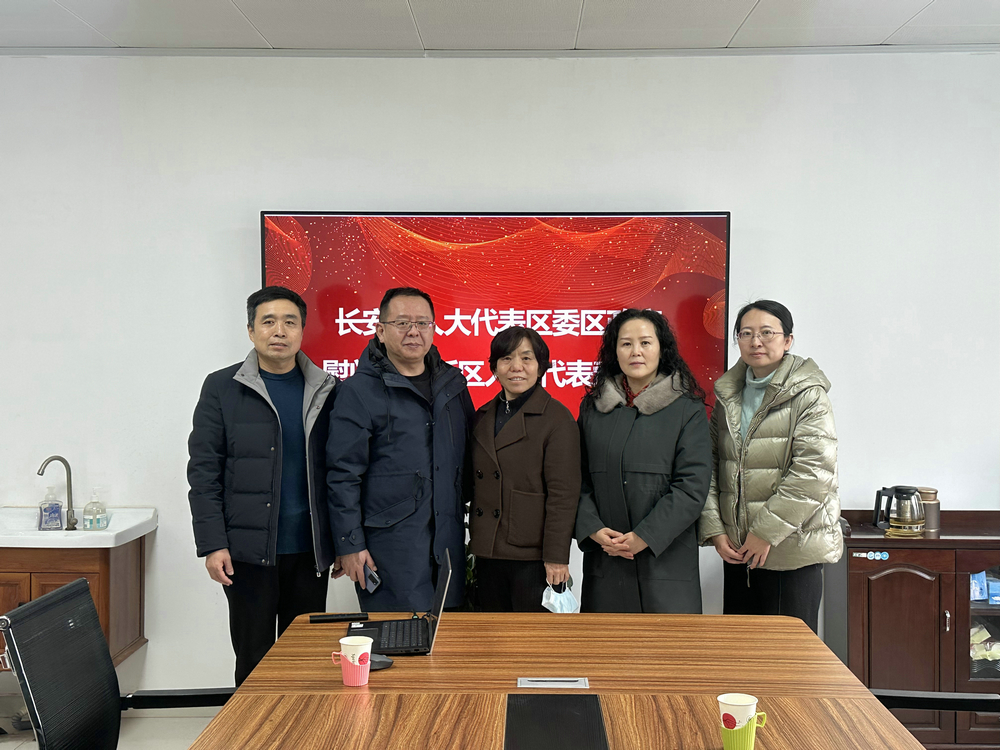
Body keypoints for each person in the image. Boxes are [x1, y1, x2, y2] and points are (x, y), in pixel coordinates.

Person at [187, 286, 337, 686]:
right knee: (254, 658)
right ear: (251, 331)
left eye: (290, 322)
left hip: (308, 550)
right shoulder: (222, 387)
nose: (279, 331)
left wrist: (340, 541)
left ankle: (301, 725)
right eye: (268, 321)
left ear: (302, 330)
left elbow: (339, 472)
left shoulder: (326, 389)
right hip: (247, 552)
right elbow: (203, 471)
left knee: (305, 658)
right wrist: (213, 543)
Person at [698, 300, 843, 634]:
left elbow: (813, 473)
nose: (756, 341)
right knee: (741, 652)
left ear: (788, 340)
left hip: (791, 551)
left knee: (787, 654)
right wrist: (716, 530)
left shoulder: (809, 395)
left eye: (767, 333)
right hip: (738, 552)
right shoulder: (728, 395)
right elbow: (710, 465)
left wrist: (764, 534)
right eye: (746, 333)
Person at [327, 287, 474, 612]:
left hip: (448, 545)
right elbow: (342, 474)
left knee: (449, 636)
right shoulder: (358, 392)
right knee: (396, 636)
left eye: (422, 323)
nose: (413, 331)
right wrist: (350, 544)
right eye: (402, 323)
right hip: (389, 549)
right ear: (380, 330)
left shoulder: (453, 385)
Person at [574, 308, 712, 613]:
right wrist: (593, 529)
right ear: (614, 351)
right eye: (626, 343)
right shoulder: (593, 408)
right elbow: (576, 479)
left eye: (645, 343)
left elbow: (692, 486)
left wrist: (645, 536)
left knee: (667, 644)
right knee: (606, 642)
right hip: (606, 559)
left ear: (662, 349)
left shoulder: (686, 409)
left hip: (665, 562)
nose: (636, 351)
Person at [468, 326, 581, 612]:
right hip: (488, 551)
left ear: (541, 366)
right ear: (494, 368)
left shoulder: (557, 418)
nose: (516, 367)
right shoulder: (482, 416)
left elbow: (563, 496)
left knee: (530, 637)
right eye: (506, 358)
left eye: (526, 358)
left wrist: (557, 557)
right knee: (490, 634)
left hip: (533, 556)